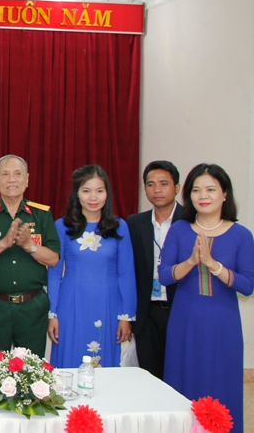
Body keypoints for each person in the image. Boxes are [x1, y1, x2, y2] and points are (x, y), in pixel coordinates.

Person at [158, 163, 254, 433]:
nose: (203, 195)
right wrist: (191, 261)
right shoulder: (179, 229)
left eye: (211, 189)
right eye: (196, 190)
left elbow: (248, 286)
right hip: (185, 322)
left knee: (222, 386)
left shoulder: (241, 235)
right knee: (182, 387)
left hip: (223, 325)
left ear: (225, 194)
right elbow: (164, 276)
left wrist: (213, 265)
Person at [0, 154, 59, 367]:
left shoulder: (41, 214)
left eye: (17, 174)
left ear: (27, 179)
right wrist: (3, 244)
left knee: (32, 373)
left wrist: (30, 246)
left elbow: (53, 259)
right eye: (5, 174)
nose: (12, 180)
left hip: (32, 307)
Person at [47, 164, 136, 368]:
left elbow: (126, 273)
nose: (93, 197)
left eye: (99, 191)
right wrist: (52, 313)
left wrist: (126, 316)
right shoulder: (62, 226)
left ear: (107, 193)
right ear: (77, 194)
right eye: (86, 191)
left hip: (108, 305)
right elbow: (54, 273)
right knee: (69, 363)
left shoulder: (119, 227)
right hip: (70, 305)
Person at [126, 160, 183, 379]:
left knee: (179, 373)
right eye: (150, 184)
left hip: (179, 309)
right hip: (146, 312)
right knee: (150, 375)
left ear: (177, 187)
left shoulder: (190, 221)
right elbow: (130, 271)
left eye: (163, 183)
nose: (157, 189)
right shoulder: (135, 223)